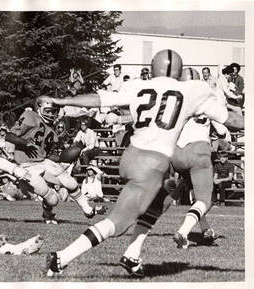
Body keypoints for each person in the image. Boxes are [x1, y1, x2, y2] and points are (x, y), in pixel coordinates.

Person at [42, 49, 231, 277]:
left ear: (153, 67)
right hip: (152, 164)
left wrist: (62, 100)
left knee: (162, 198)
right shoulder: (191, 90)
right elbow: (232, 120)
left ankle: (132, 254)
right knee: (117, 224)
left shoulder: (138, 86)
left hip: (132, 156)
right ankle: (61, 258)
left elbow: (99, 99)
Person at [118, 67, 228, 277]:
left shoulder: (175, 99)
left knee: (171, 194)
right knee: (206, 197)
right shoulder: (203, 99)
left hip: (175, 153)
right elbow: (223, 129)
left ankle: (204, 230)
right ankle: (184, 232)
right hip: (197, 152)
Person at [5, 98, 106, 224]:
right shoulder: (30, 116)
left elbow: (50, 155)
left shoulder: (52, 131)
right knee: (53, 200)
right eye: (48, 110)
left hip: (42, 161)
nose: (51, 114)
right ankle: (47, 214)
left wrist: (67, 157)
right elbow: (9, 135)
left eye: (54, 111)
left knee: (71, 183)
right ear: (39, 108)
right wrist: (25, 143)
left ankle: (88, 210)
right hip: (26, 165)